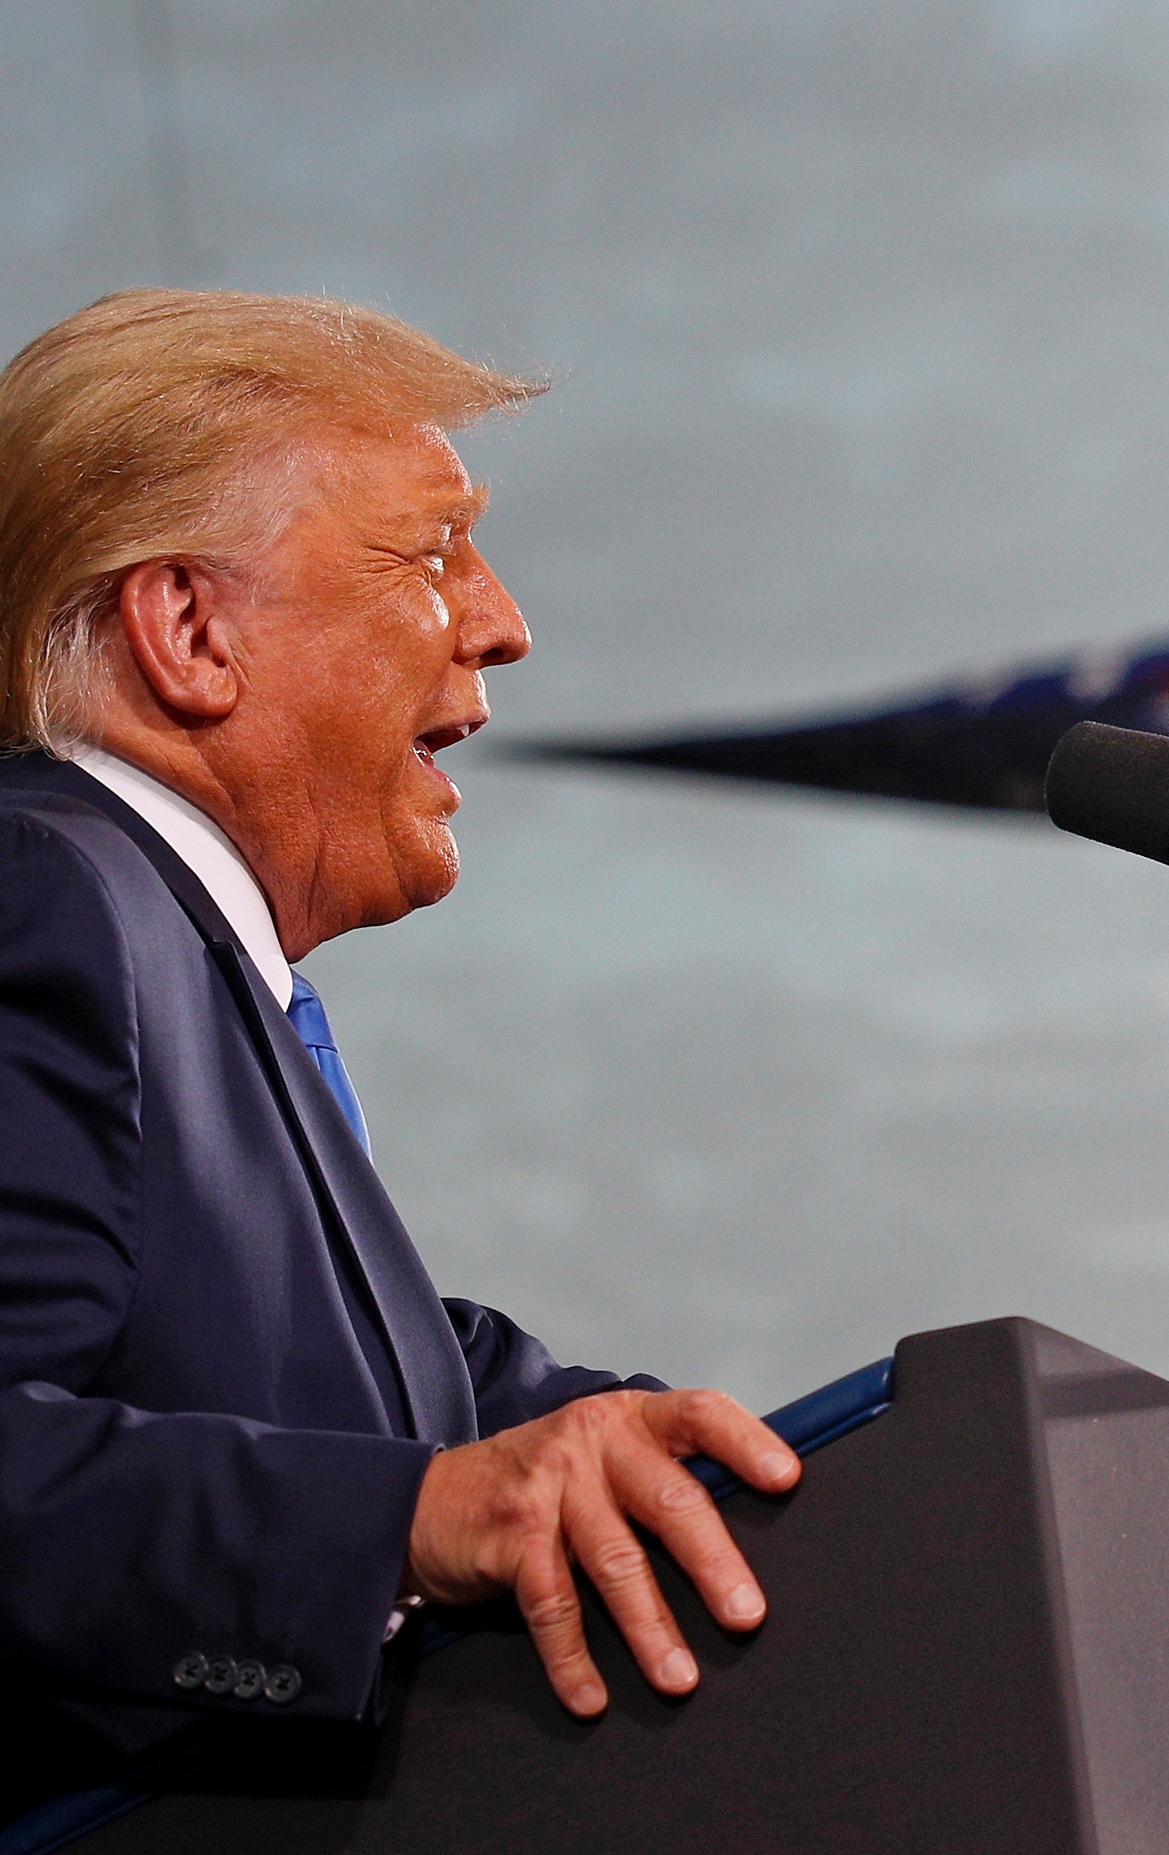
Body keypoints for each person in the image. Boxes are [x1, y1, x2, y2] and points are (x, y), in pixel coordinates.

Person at [0, 290, 799, 1805]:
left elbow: (449, 1396)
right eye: (432, 549)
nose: (502, 619)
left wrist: (849, 1485)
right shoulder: (50, 893)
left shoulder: (195, 984)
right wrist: (407, 1521)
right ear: (189, 630)